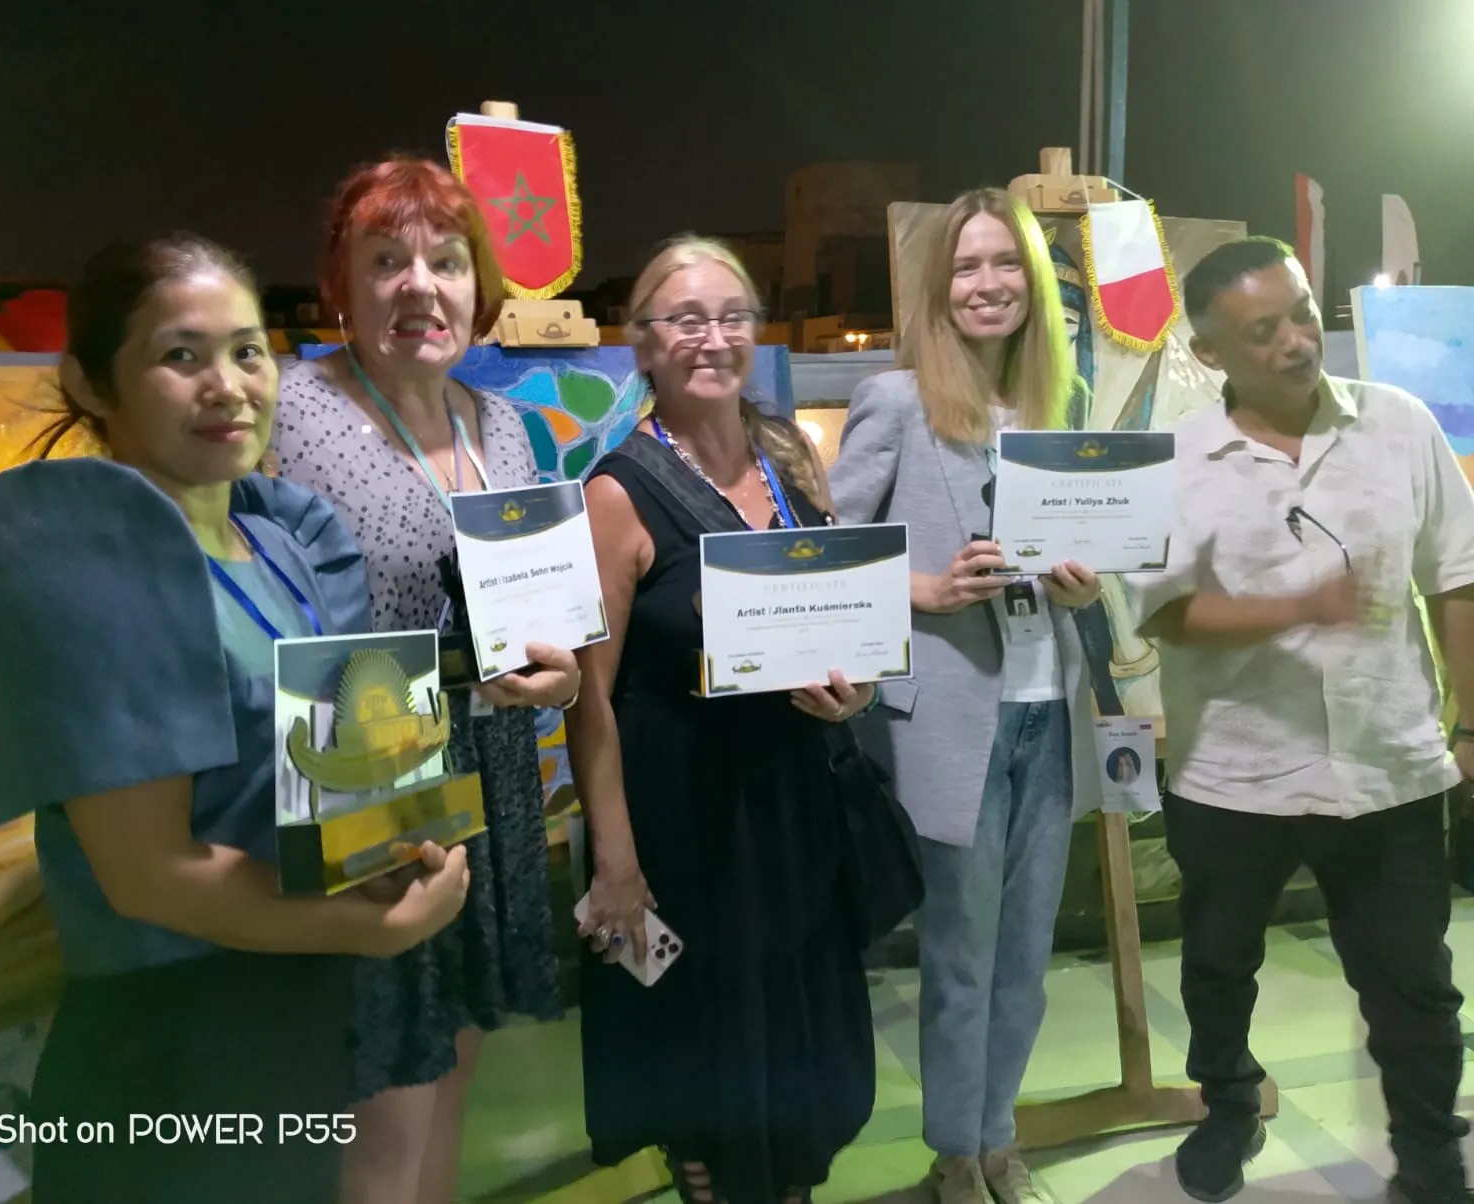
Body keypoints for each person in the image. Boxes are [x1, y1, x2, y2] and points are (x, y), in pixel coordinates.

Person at [0, 233, 471, 1204]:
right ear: (90, 383)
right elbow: (149, 876)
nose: (228, 387)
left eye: (248, 351)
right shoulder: (96, 562)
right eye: (180, 355)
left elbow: (338, 777)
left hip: (300, 1009)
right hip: (176, 1041)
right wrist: (367, 927)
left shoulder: (282, 541)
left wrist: (399, 851)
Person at [1126, 236, 1474, 1204]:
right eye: (1261, 331)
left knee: (1414, 984)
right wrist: (1296, 607)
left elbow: (1457, 576)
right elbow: (1164, 613)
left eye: (1302, 315)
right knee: (1216, 966)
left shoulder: (1400, 424)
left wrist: (1469, 725)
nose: (1294, 342)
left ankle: (1431, 1157)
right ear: (1209, 352)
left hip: (1389, 763)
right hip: (1234, 772)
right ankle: (1230, 1104)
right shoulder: (1175, 461)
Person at [271, 154, 579, 1204]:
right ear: (341, 285)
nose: (419, 285)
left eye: (445, 261)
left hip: (490, 763)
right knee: (385, 1100)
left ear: (477, 287)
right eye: (385, 260)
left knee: (453, 1068)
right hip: (365, 769)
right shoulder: (290, 411)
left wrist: (556, 677)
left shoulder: (504, 426)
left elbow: (541, 613)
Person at [567, 235, 877, 1204]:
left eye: (732, 316)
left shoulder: (791, 458)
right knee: (714, 1083)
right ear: (643, 345)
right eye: (686, 319)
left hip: (793, 813)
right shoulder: (616, 494)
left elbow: (836, 622)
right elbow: (589, 696)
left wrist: (854, 692)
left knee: (798, 1061)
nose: (713, 338)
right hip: (688, 826)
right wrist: (616, 865)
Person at [827, 188, 1105, 1204]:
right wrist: (925, 590)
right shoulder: (896, 401)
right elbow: (830, 555)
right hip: (947, 723)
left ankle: (997, 1138)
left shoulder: (1058, 409)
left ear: (1034, 282)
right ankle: (955, 1149)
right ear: (937, 289)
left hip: (1047, 712)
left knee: (1027, 958)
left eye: (1005, 264)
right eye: (965, 267)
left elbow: (1094, 550)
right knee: (959, 958)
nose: (987, 284)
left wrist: (1085, 587)